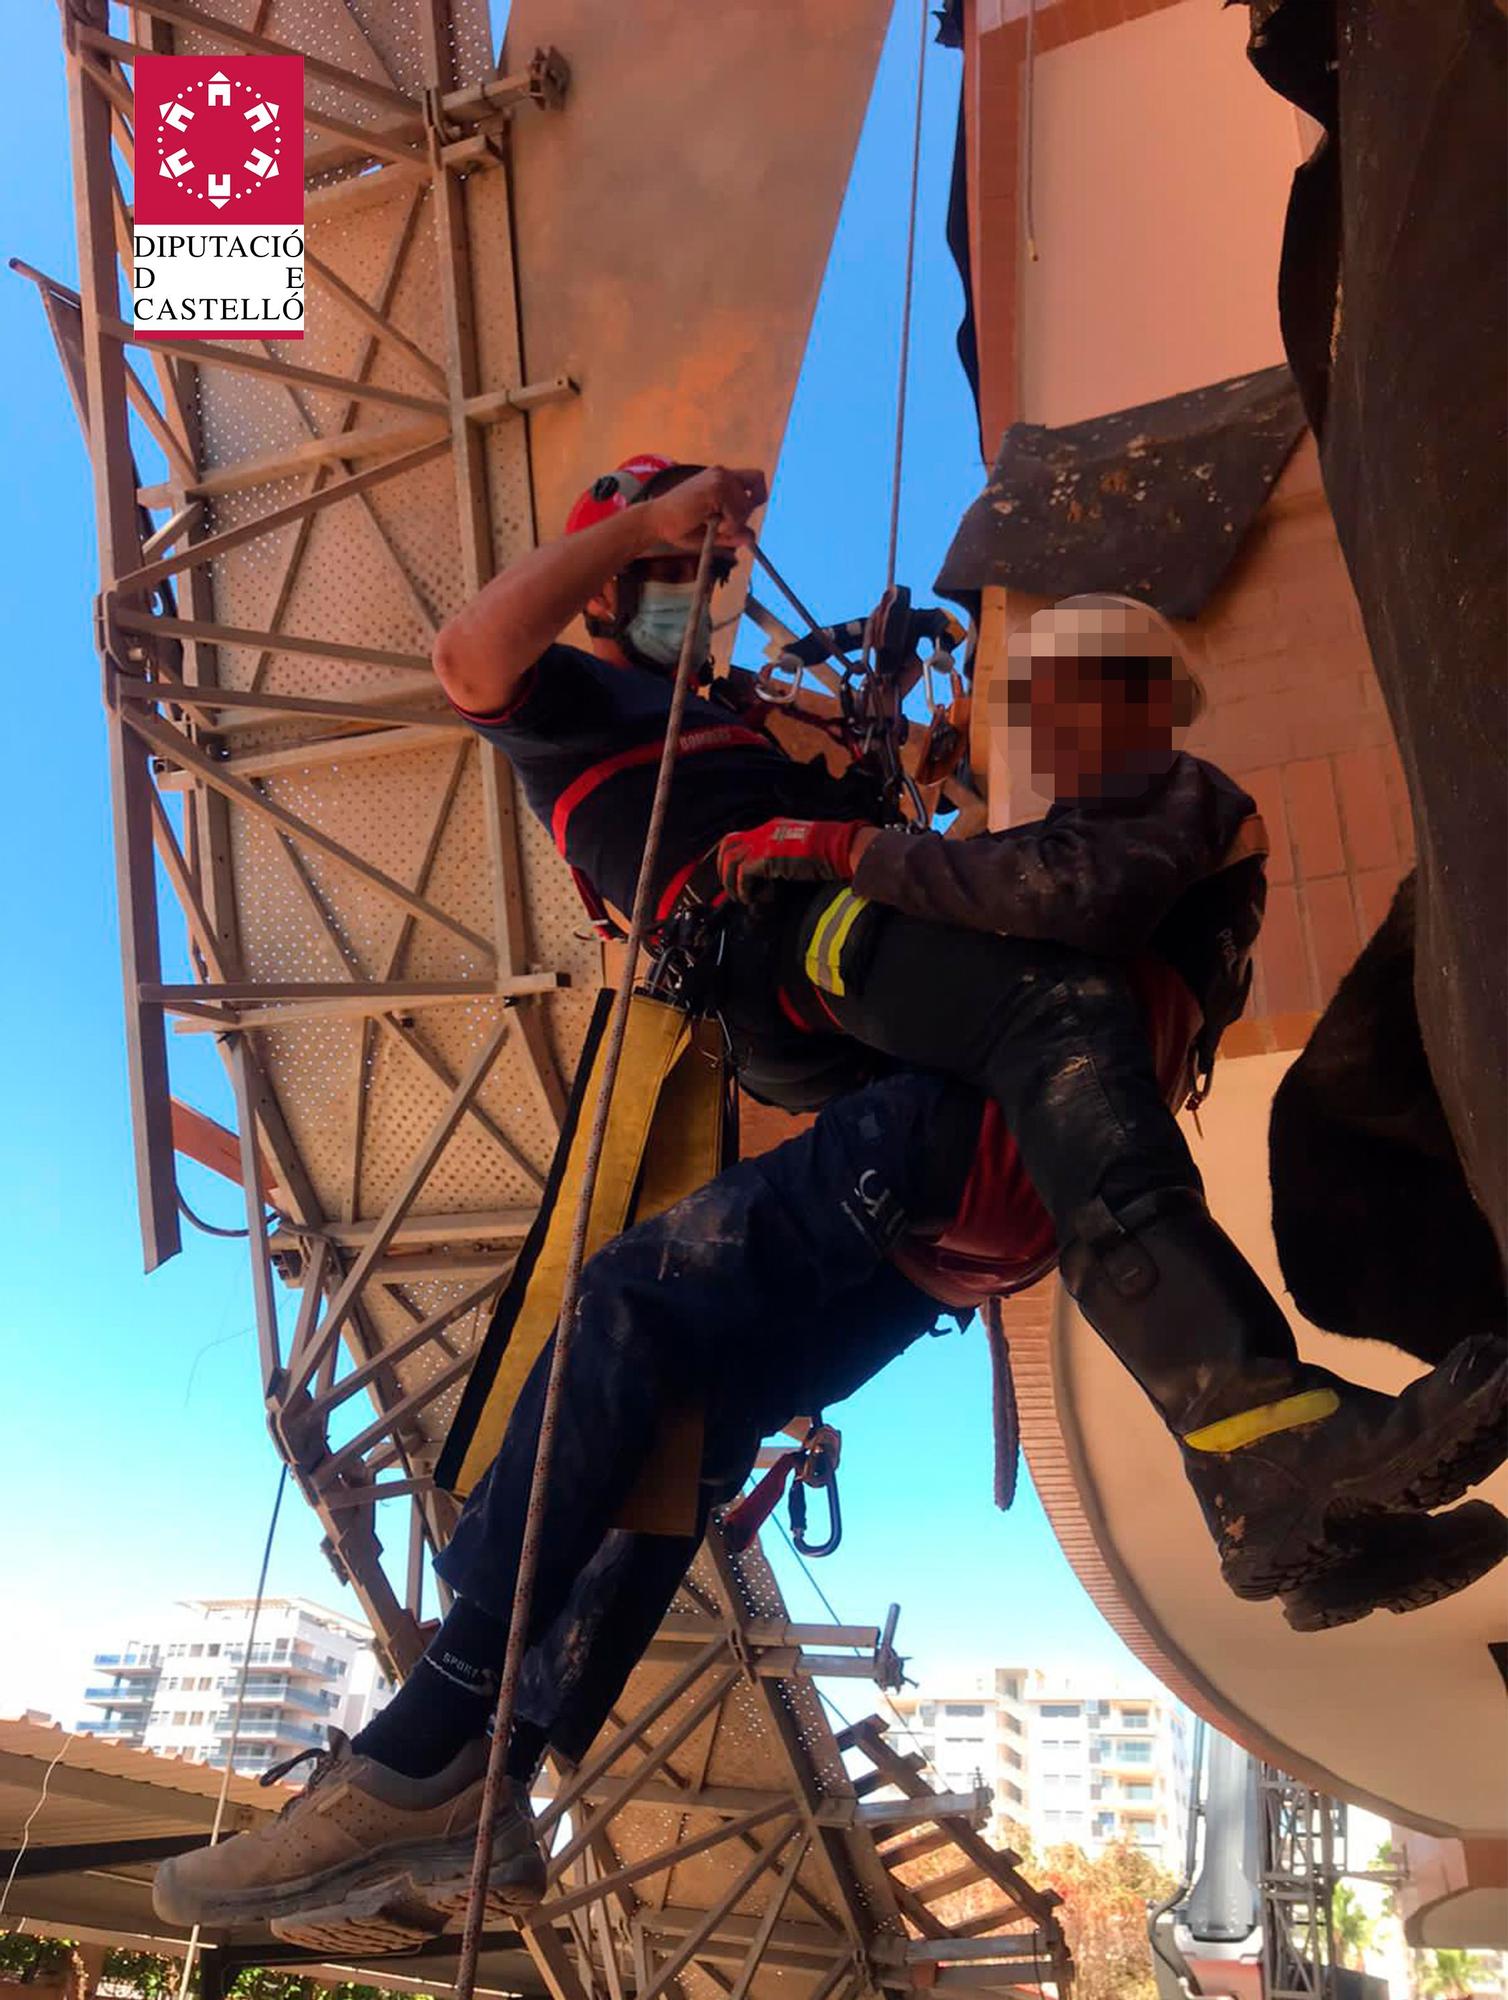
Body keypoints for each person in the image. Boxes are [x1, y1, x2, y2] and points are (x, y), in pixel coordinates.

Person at [151, 459, 1505, 1943]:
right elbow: (469, 654)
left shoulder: (760, 734)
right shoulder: (588, 713)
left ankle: (484, 1771)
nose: (699, 599)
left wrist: (888, 774)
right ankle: (1259, 1455)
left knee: (684, 1401)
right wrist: (642, 530)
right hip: (780, 942)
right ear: (611, 594)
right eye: (671, 584)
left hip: (902, 1110)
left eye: (705, 578)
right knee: (972, 1063)